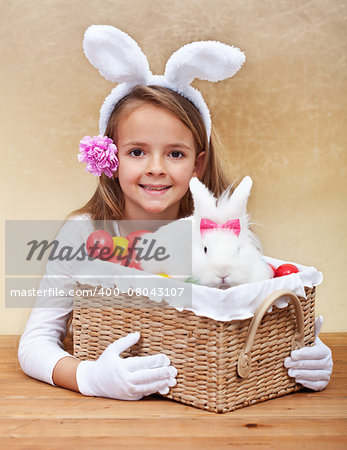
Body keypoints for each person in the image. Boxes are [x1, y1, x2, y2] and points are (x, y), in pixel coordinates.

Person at [18, 25, 332, 401]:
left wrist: (304, 351)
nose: (156, 168)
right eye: (137, 152)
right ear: (111, 158)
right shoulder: (83, 233)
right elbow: (35, 342)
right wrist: (90, 378)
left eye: (175, 153)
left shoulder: (222, 239)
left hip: (204, 401)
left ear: (198, 165)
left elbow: (253, 326)